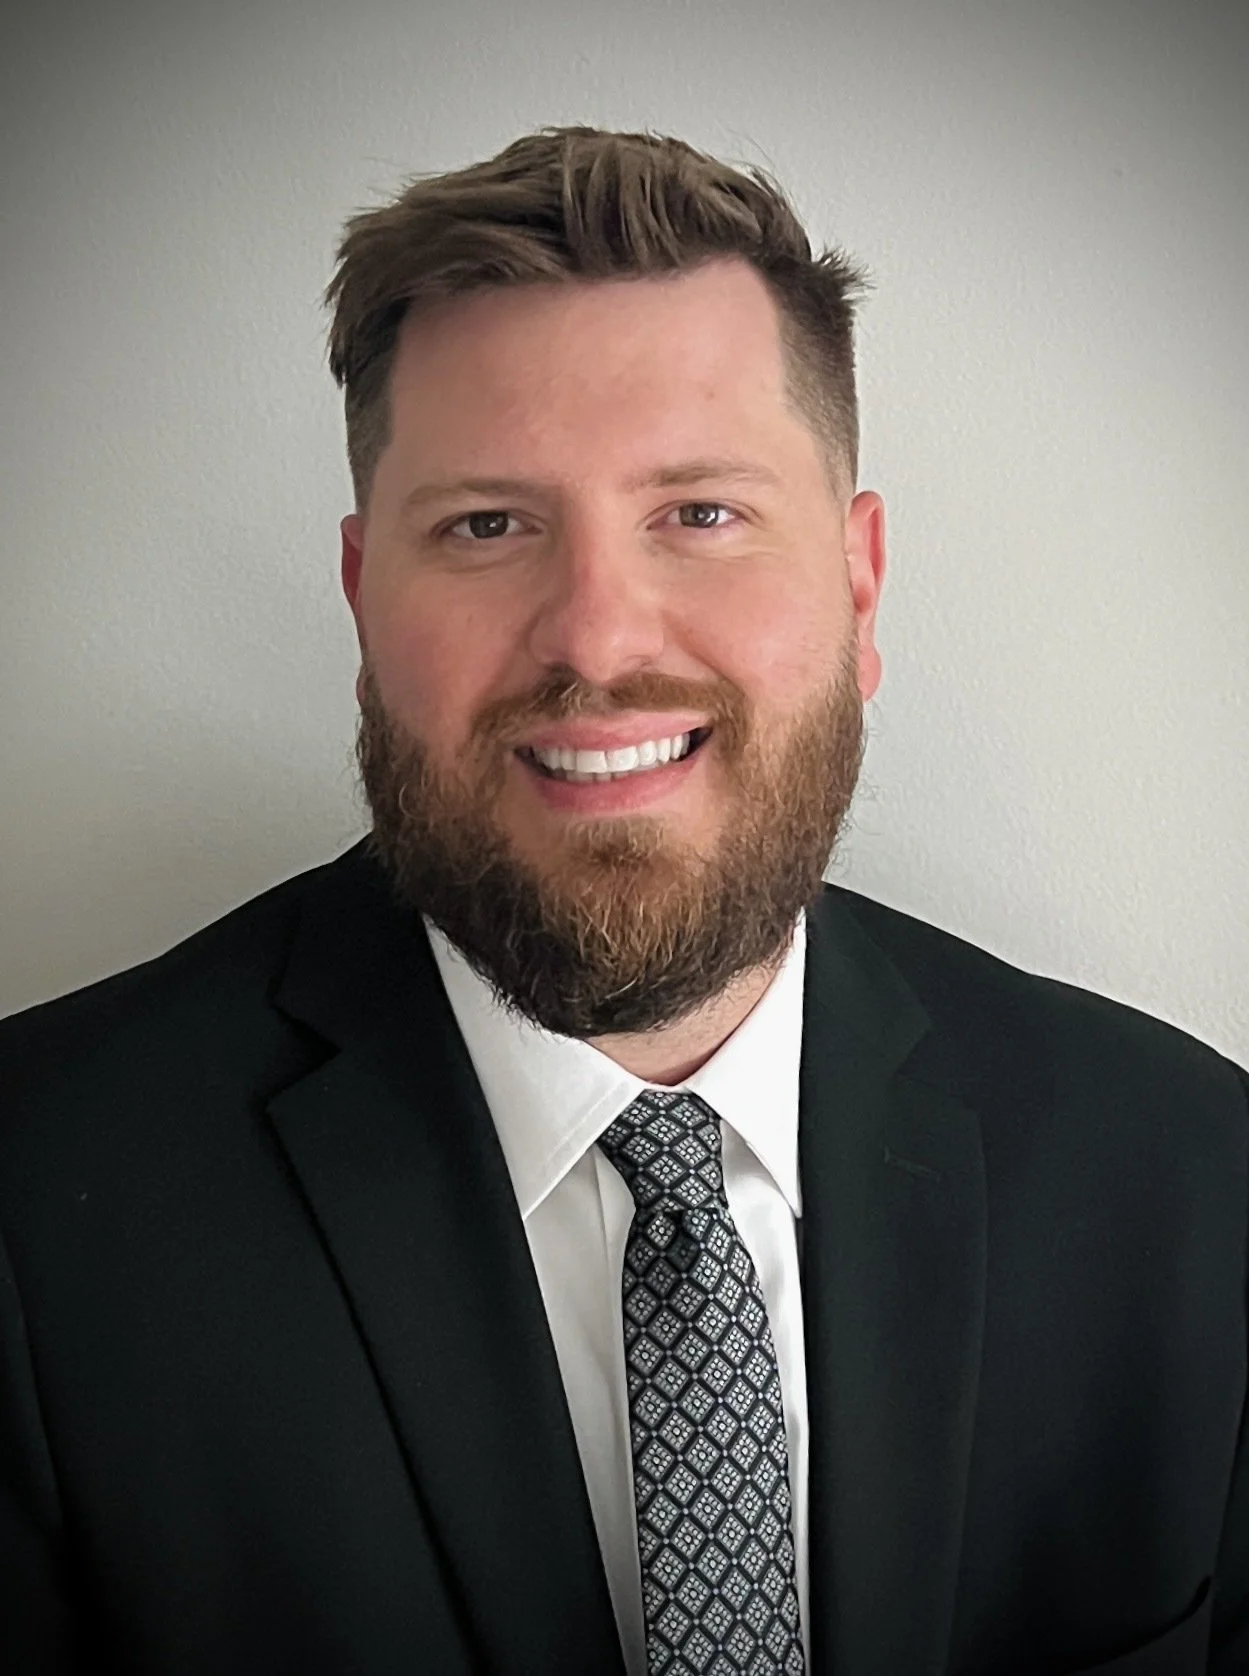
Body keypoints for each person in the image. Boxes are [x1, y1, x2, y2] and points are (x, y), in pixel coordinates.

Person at [1, 124, 1246, 1676]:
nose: (596, 636)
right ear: (363, 600)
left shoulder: (1196, 1182)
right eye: (487, 525)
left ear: (860, 582)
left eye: (700, 513)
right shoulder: (33, 1215)